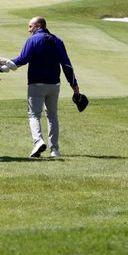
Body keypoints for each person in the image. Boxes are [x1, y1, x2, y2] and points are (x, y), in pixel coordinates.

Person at [12, 16, 79, 159]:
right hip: (54, 85)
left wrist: (2, 65)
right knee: (52, 116)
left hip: (36, 84)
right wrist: (74, 84)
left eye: (30, 26)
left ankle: (38, 142)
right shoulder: (58, 41)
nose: (28, 29)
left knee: (34, 115)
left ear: (38, 26)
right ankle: (55, 150)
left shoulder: (33, 40)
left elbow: (21, 60)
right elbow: (66, 65)